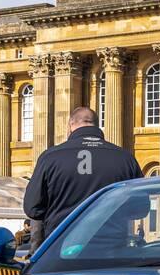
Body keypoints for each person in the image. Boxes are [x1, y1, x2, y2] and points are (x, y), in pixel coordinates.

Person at [23, 106, 142, 247]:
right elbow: (141, 208)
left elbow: (33, 208)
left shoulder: (50, 157)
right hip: (111, 250)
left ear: (71, 125)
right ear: (96, 125)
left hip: (62, 250)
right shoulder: (125, 158)